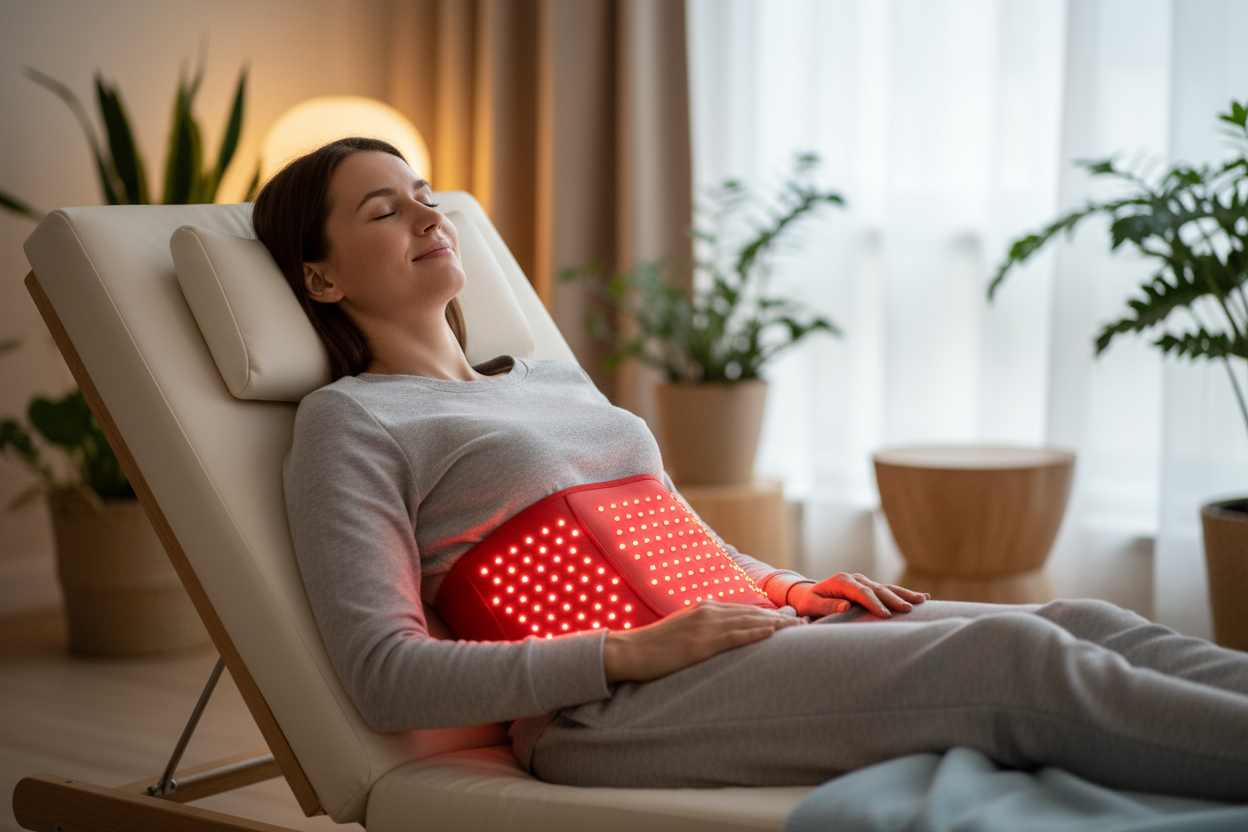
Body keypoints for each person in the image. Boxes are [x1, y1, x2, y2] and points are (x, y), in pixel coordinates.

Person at [254, 137, 1248, 802]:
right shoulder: (352, 422)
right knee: (1013, 665)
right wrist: (628, 653)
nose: (429, 216)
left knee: (1084, 620)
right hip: (614, 710)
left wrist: (787, 586)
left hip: (740, 635)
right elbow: (385, 675)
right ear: (322, 276)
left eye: (427, 197)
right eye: (385, 210)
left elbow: (678, 538)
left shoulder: (548, 376)